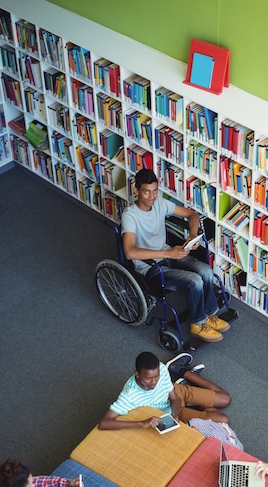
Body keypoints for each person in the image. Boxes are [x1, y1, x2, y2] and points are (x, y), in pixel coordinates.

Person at [121, 168, 230, 343]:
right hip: (150, 267)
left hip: (169, 255)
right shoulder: (130, 216)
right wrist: (168, 253)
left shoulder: (160, 204)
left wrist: (192, 236)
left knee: (206, 271)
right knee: (195, 281)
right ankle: (197, 323)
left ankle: (208, 313)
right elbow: (129, 252)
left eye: (155, 191)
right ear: (136, 191)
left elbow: (192, 214)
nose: (152, 196)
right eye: (146, 191)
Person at [98, 351, 231, 430]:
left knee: (226, 399)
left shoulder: (161, 368)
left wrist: (175, 412)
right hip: (168, 414)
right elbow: (104, 423)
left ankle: (180, 369)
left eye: (157, 376)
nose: (154, 382)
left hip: (176, 396)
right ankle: (203, 404)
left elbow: (174, 398)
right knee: (223, 420)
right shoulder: (129, 395)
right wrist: (141, 423)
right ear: (137, 374)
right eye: (149, 378)